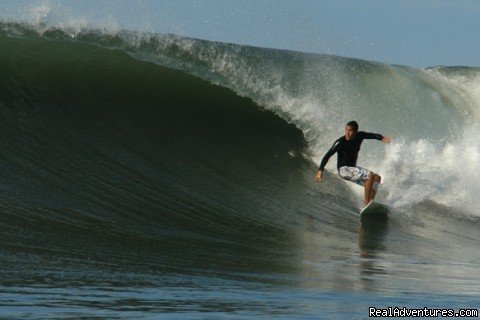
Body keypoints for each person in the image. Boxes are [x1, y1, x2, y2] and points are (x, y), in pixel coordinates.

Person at [315, 121, 391, 205]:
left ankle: (371, 202)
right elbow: (327, 155)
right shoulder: (340, 142)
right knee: (369, 176)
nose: (347, 133)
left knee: (377, 178)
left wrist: (382, 138)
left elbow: (372, 135)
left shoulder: (360, 135)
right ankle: (366, 202)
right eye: (346, 130)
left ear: (355, 132)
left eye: (350, 130)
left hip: (352, 169)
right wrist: (320, 170)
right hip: (343, 170)